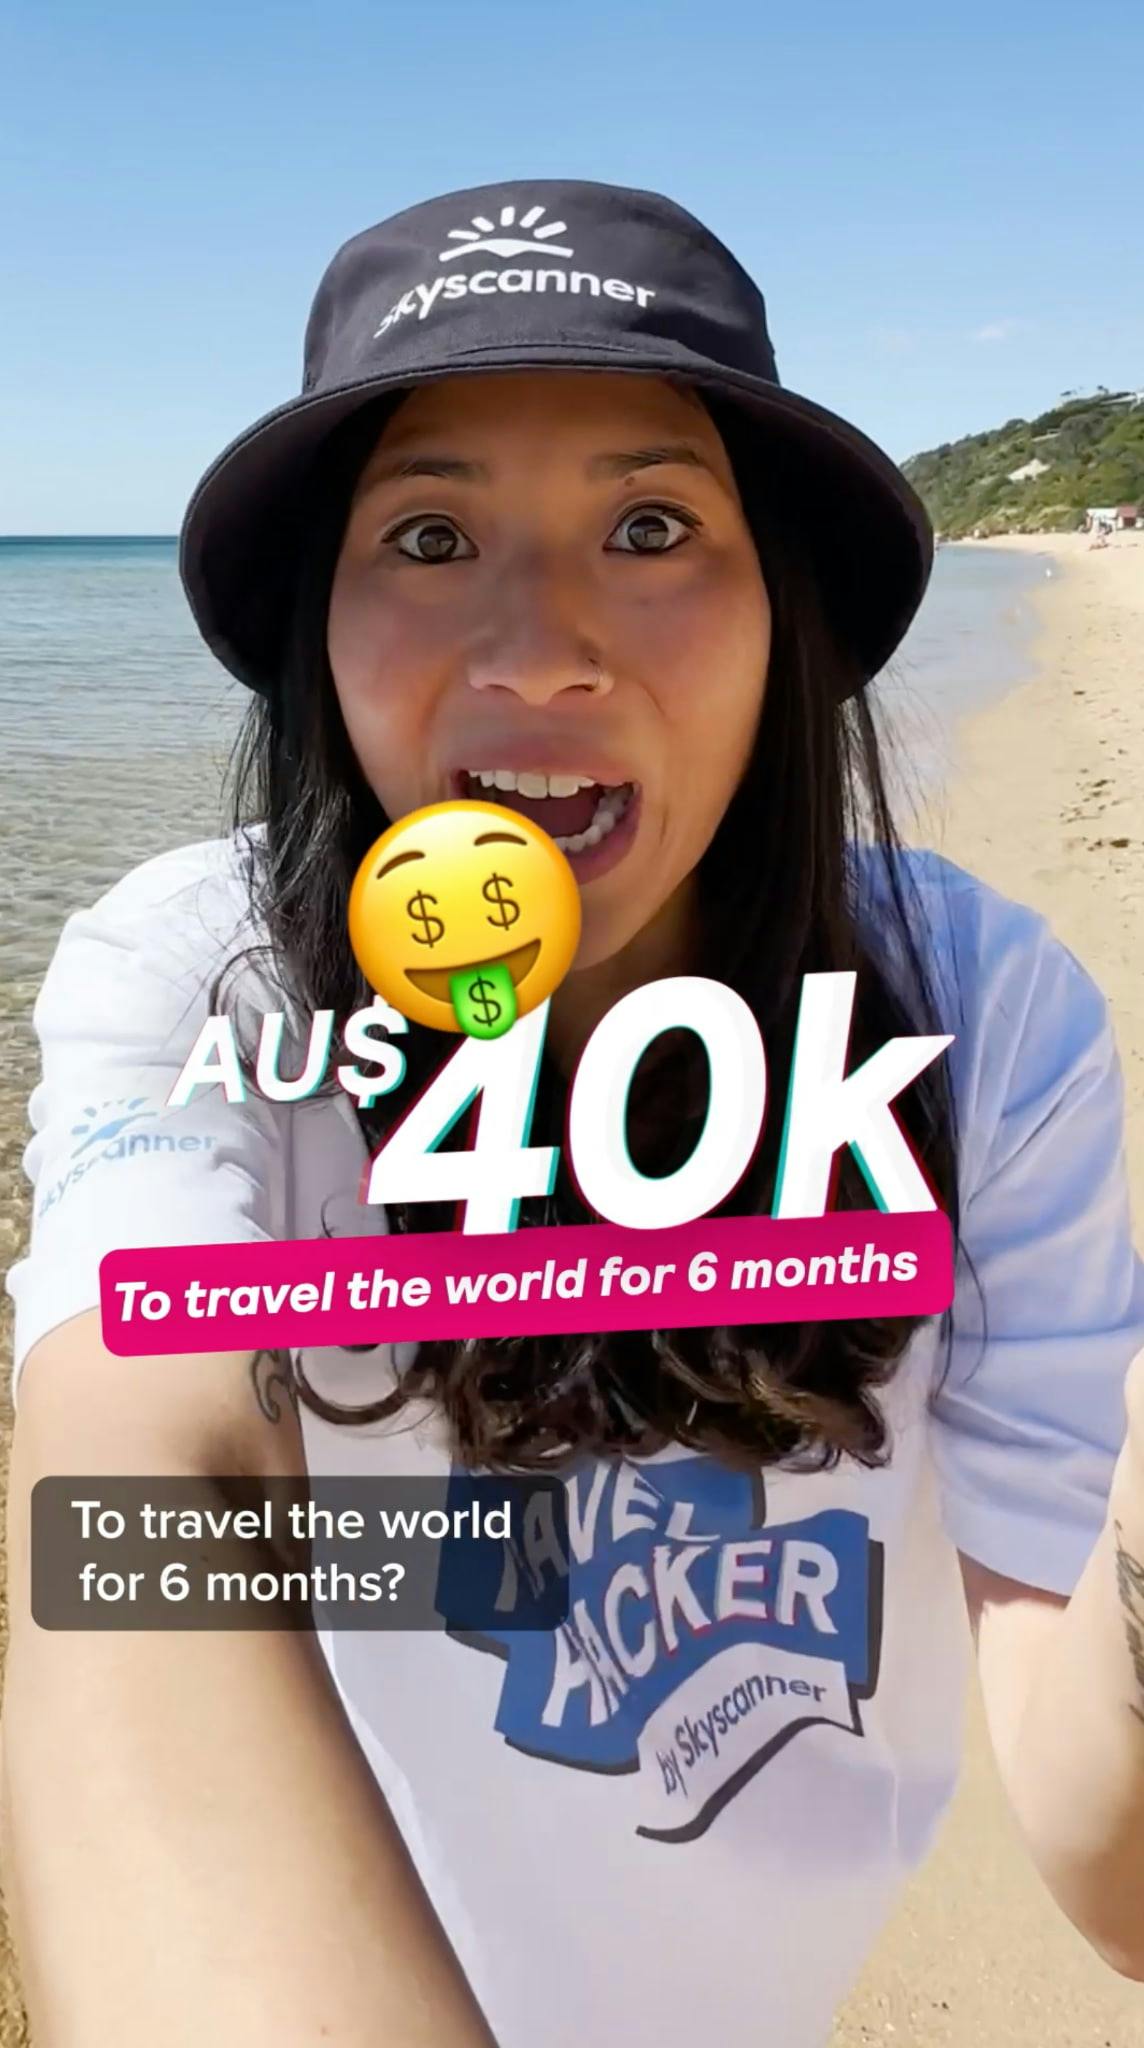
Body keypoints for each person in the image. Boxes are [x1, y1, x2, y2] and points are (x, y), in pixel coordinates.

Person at [5, 179, 1144, 2048]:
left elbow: (1118, 1870)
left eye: (647, 524)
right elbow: (134, 1498)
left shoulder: (974, 1022)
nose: (538, 648)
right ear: (320, 634)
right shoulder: (210, 981)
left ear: (786, 611)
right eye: (433, 533)